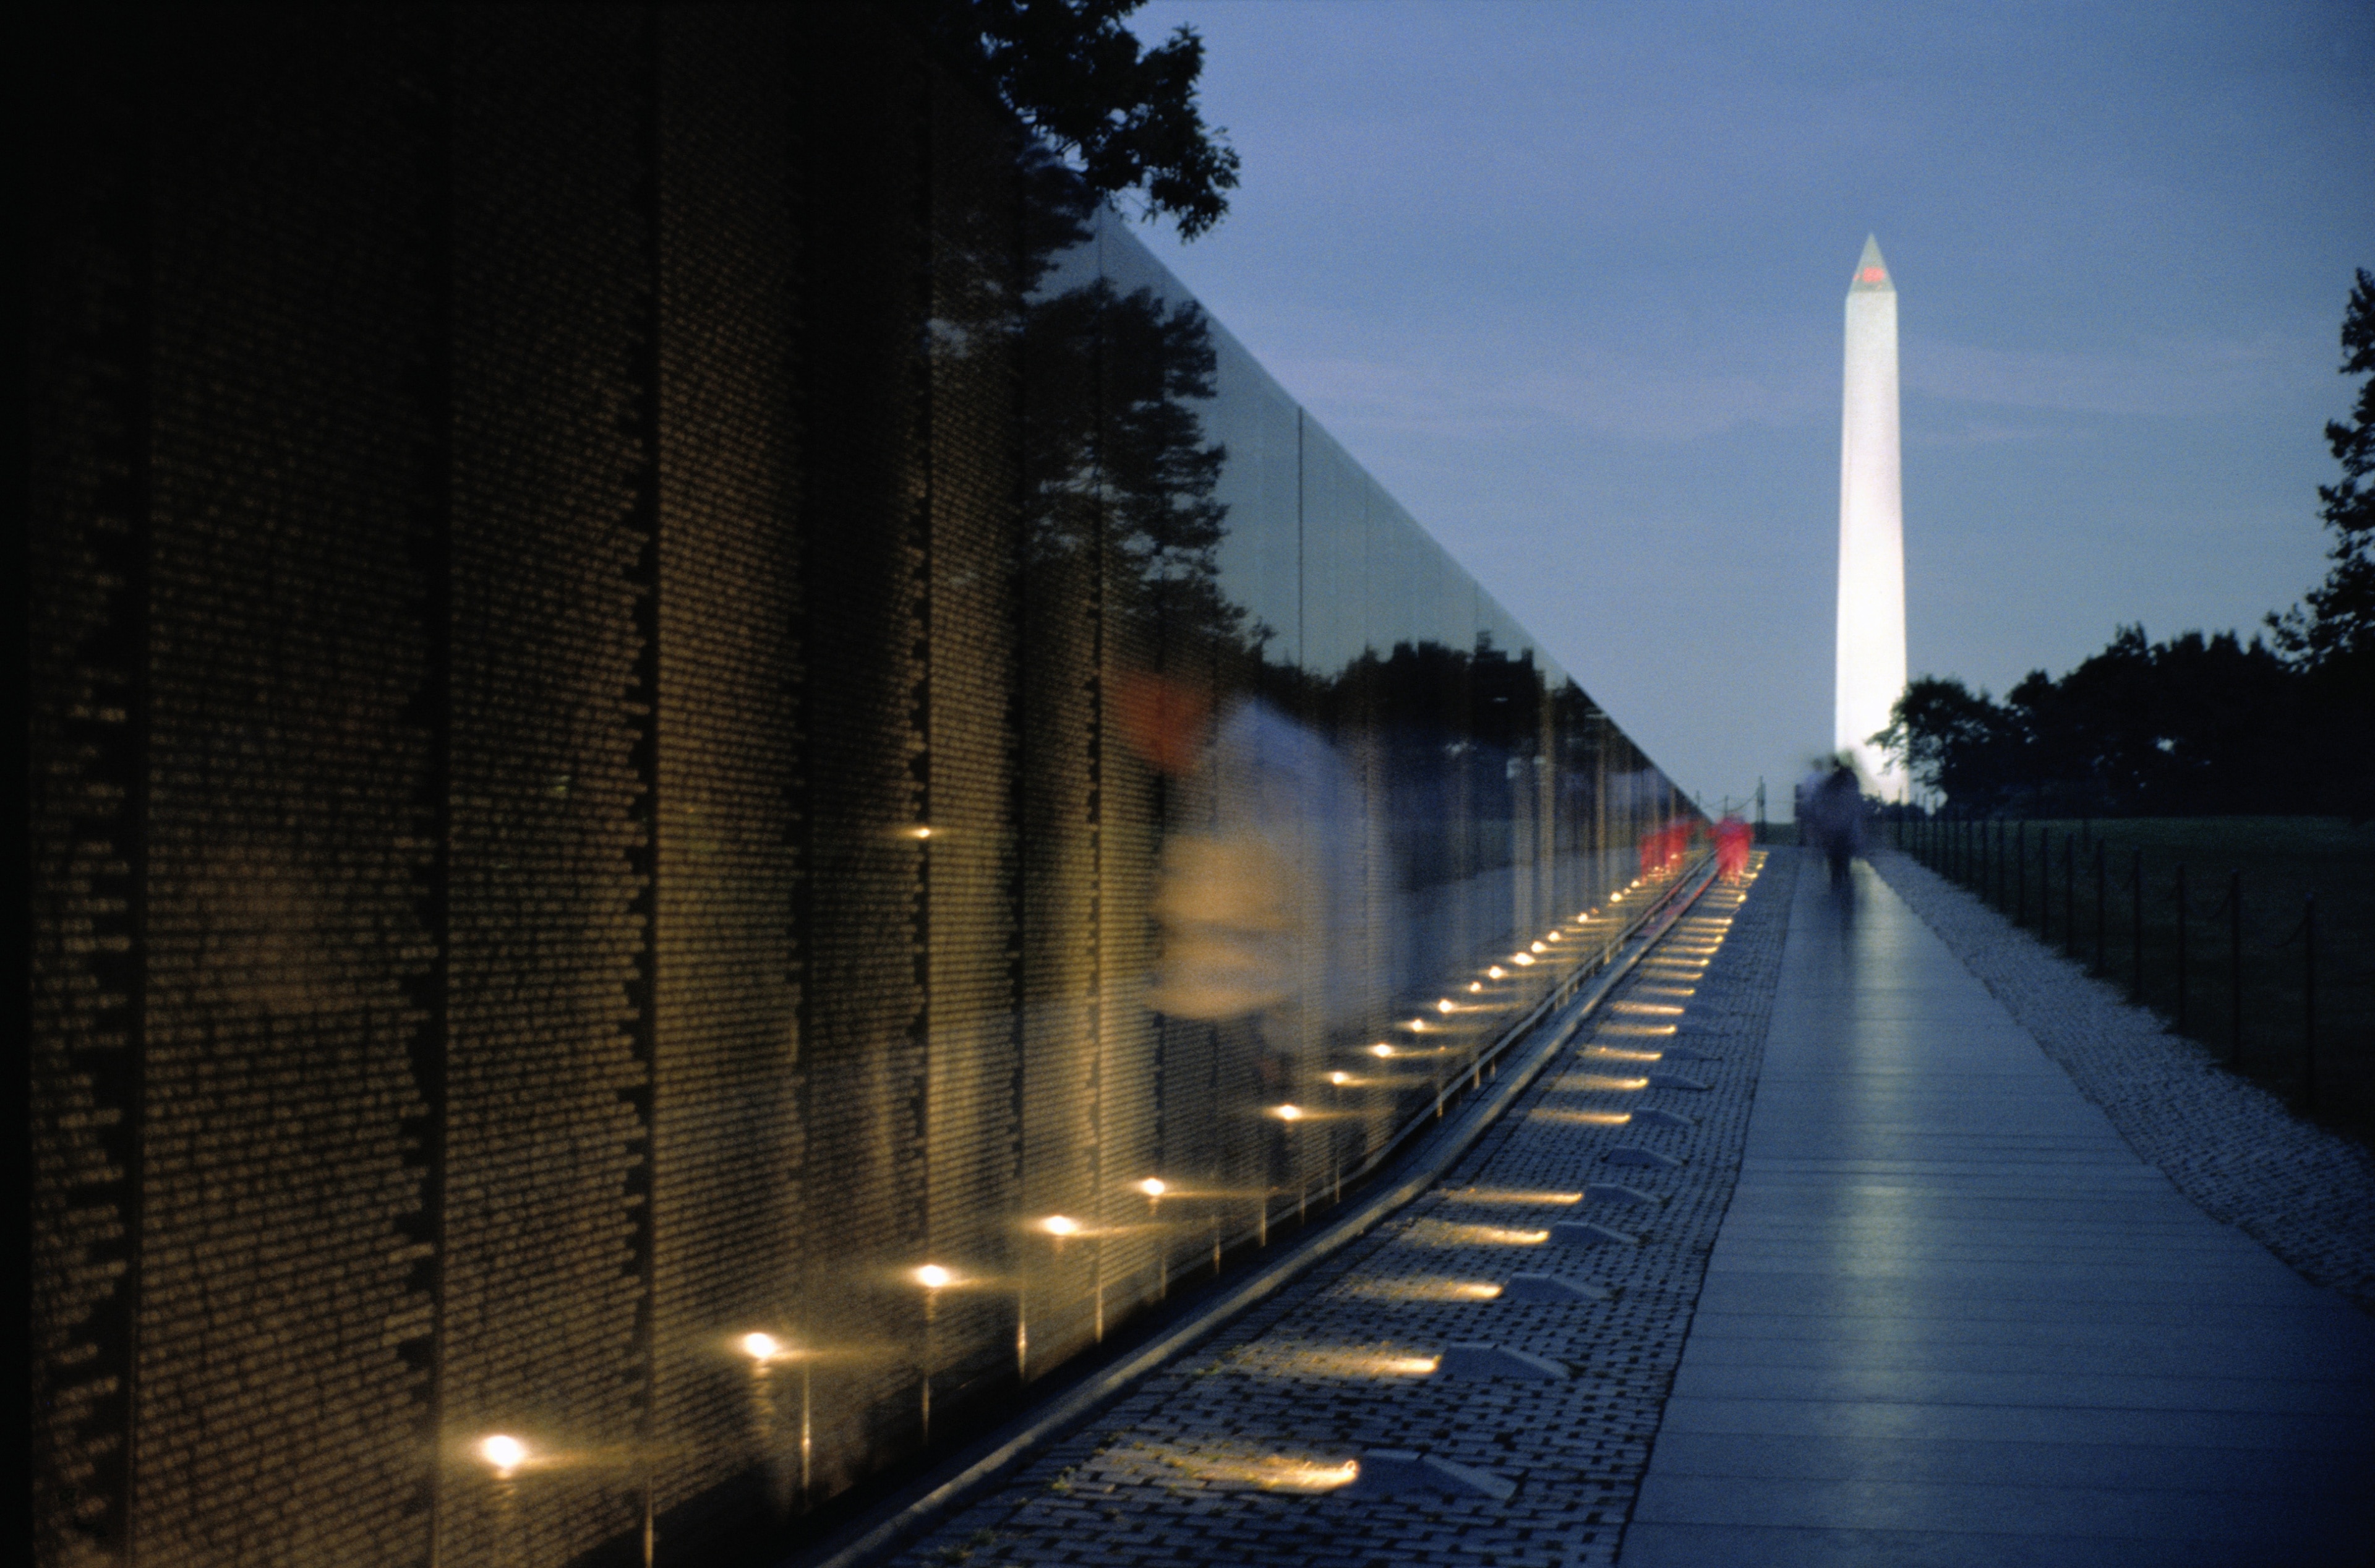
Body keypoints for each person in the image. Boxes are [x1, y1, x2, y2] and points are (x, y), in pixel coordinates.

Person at [1800, 760, 1866, 892]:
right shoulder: (1850, 781)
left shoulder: (1831, 781)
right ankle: (1845, 873)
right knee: (1846, 850)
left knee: (1834, 852)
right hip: (1844, 822)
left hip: (1834, 823)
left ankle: (1836, 877)